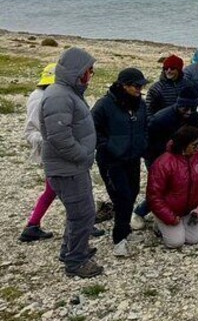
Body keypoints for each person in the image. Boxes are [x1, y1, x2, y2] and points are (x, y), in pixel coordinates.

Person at [40, 47, 102, 278]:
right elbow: (59, 137)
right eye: (89, 70)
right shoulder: (59, 96)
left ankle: (69, 250)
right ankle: (76, 261)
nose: (90, 75)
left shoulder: (68, 92)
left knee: (78, 212)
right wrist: (82, 154)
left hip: (74, 166)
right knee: (83, 214)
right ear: (78, 71)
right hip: (68, 167)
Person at [92, 67, 149, 257]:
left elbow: (145, 125)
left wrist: (143, 143)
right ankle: (119, 240)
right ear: (123, 85)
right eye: (136, 85)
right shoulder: (104, 105)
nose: (139, 89)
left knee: (132, 193)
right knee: (122, 197)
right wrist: (108, 146)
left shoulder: (140, 104)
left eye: (141, 85)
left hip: (132, 157)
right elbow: (92, 130)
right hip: (111, 160)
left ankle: (125, 231)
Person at [132, 86, 198, 229]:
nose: (188, 112)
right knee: (160, 190)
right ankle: (140, 212)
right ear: (178, 104)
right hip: (157, 157)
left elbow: (195, 138)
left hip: (182, 156)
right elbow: (150, 144)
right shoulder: (161, 119)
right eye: (185, 108)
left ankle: (170, 213)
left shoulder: (194, 117)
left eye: (192, 109)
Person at [146, 126, 198, 249]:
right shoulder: (163, 163)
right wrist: (169, 217)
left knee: (194, 239)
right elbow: (154, 196)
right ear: (183, 145)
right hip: (170, 210)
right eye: (194, 145)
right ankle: (159, 223)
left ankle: (179, 225)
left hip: (190, 211)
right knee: (176, 243)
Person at [20, 63, 59, 242]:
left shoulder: (46, 95)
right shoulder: (39, 98)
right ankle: (32, 225)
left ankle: (32, 225)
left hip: (53, 148)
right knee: (63, 188)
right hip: (50, 149)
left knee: (53, 189)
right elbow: (32, 129)